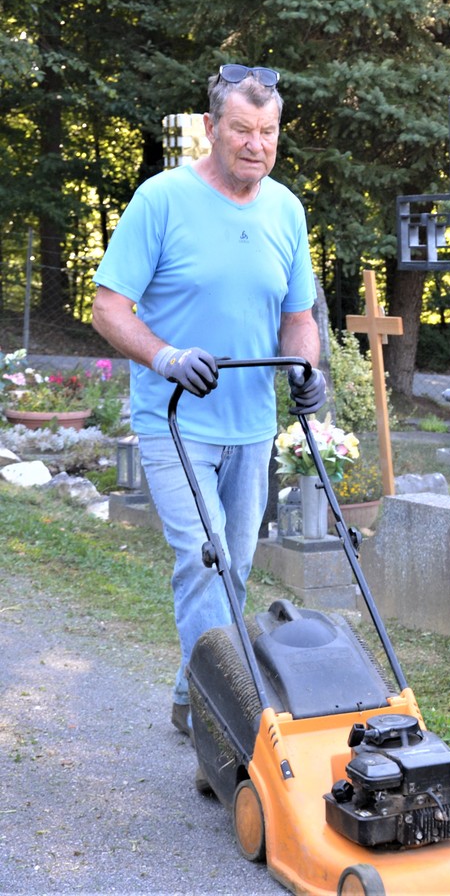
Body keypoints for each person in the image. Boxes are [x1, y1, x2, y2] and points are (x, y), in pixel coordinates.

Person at [92, 63, 326, 737]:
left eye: (268, 132)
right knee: (205, 557)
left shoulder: (286, 209)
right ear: (211, 127)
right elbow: (109, 308)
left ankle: (189, 693)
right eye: (242, 129)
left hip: (251, 424)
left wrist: (304, 369)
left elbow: (299, 317)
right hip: (175, 420)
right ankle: (218, 719)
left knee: (236, 565)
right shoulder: (161, 200)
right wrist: (166, 357)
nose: (256, 144)